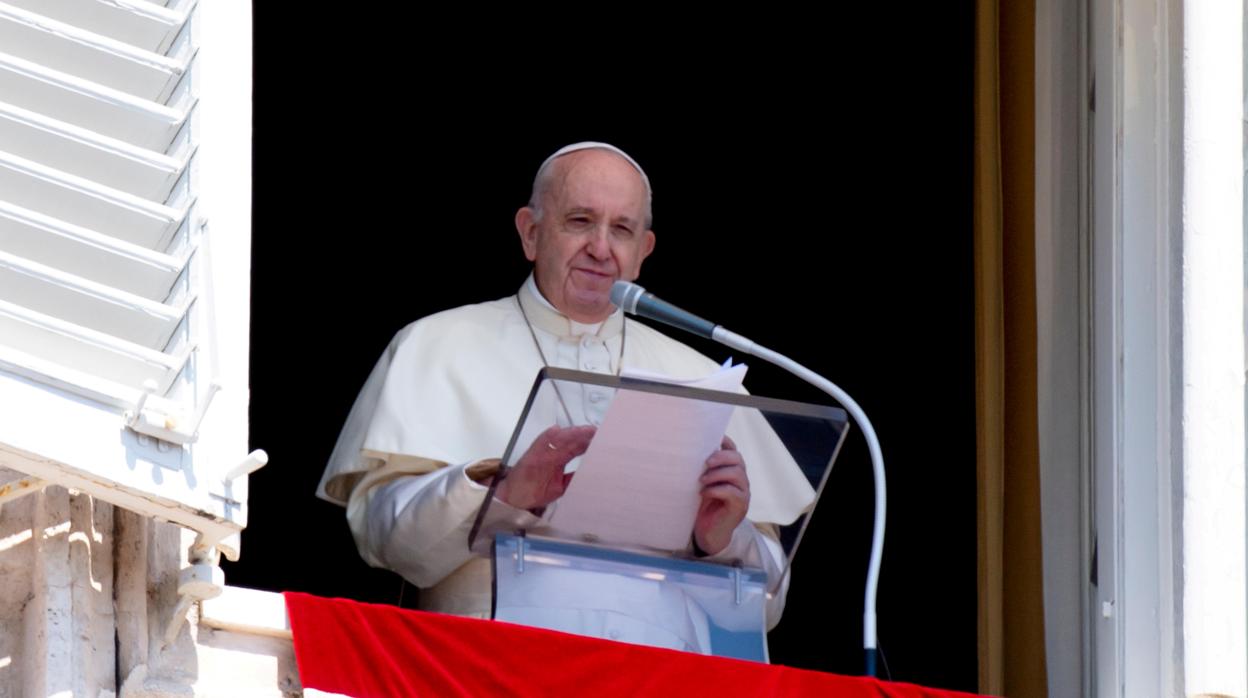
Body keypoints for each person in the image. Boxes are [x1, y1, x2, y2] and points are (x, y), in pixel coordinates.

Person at [317, 142, 814, 653]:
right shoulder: (436, 343)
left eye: (621, 229)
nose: (601, 248)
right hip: (490, 666)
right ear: (531, 234)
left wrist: (722, 541)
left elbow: (767, 610)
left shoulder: (705, 378)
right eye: (580, 221)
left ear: (643, 252)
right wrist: (504, 494)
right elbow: (385, 542)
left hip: (661, 678)